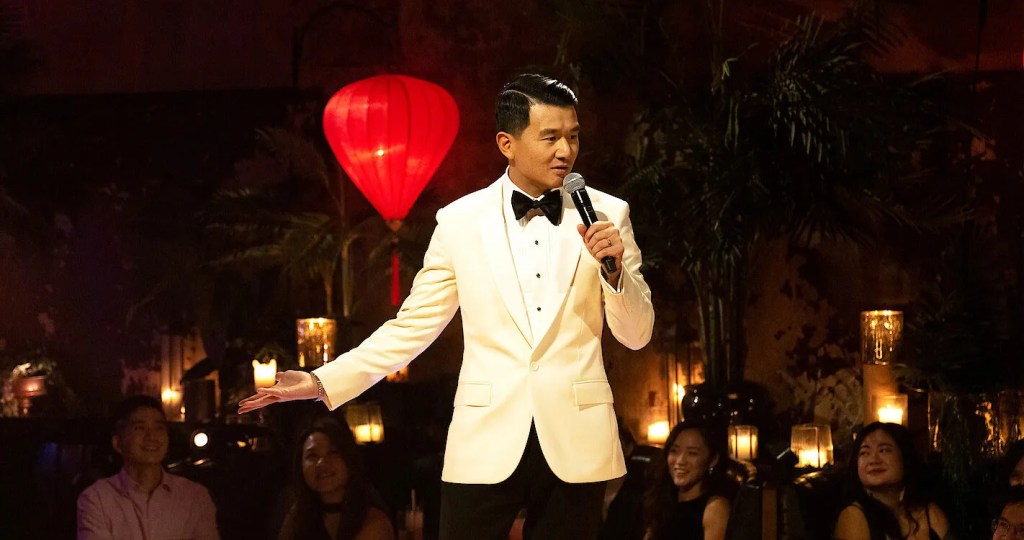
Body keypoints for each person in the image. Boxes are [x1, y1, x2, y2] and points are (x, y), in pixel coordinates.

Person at [239, 73, 655, 539]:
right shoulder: (460, 222)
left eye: (573, 136)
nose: (566, 151)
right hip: (485, 437)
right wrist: (322, 379)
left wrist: (614, 273)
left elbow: (637, 334)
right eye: (551, 137)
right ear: (507, 143)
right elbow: (412, 327)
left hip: (578, 437)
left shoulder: (607, 214)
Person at [77, 395, 219, 540]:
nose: (152, 436)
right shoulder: (97, 499)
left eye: (159, 428)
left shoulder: (194, 496)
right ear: (118, 443)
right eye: (140, 428)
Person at [278, 416, 394, 540]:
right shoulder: (296, 517)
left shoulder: (372, 520)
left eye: (333, 452)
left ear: (349, 458)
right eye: (312, 455)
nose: (321, 463)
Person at [833, 422, 950, 540]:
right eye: (864, 453)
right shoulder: (854, 515)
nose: (873, 460)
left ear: (905, 457)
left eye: (884, 450)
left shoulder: (929, 513)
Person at [643, 421, 731, 540]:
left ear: (713, 459)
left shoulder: (715, 508)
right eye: (674, 451)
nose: (680, 461)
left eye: (692, 453)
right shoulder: (664, 498)